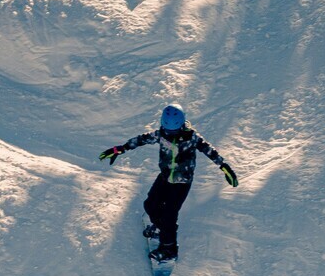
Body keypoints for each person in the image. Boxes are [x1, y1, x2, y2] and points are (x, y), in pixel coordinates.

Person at [99, 103, 238, 262]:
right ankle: (162, 229)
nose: (169, 134)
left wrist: (224, 165)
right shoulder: (161, 134)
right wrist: (119, 149)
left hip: (182, 182)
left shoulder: (192, 138)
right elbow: (141, 140)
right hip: (165, 177)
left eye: (173, 131)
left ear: (181, 125)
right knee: (150, 205)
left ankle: (169, 249)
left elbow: (210, 151)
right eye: (167, 131)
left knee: (169, 215)